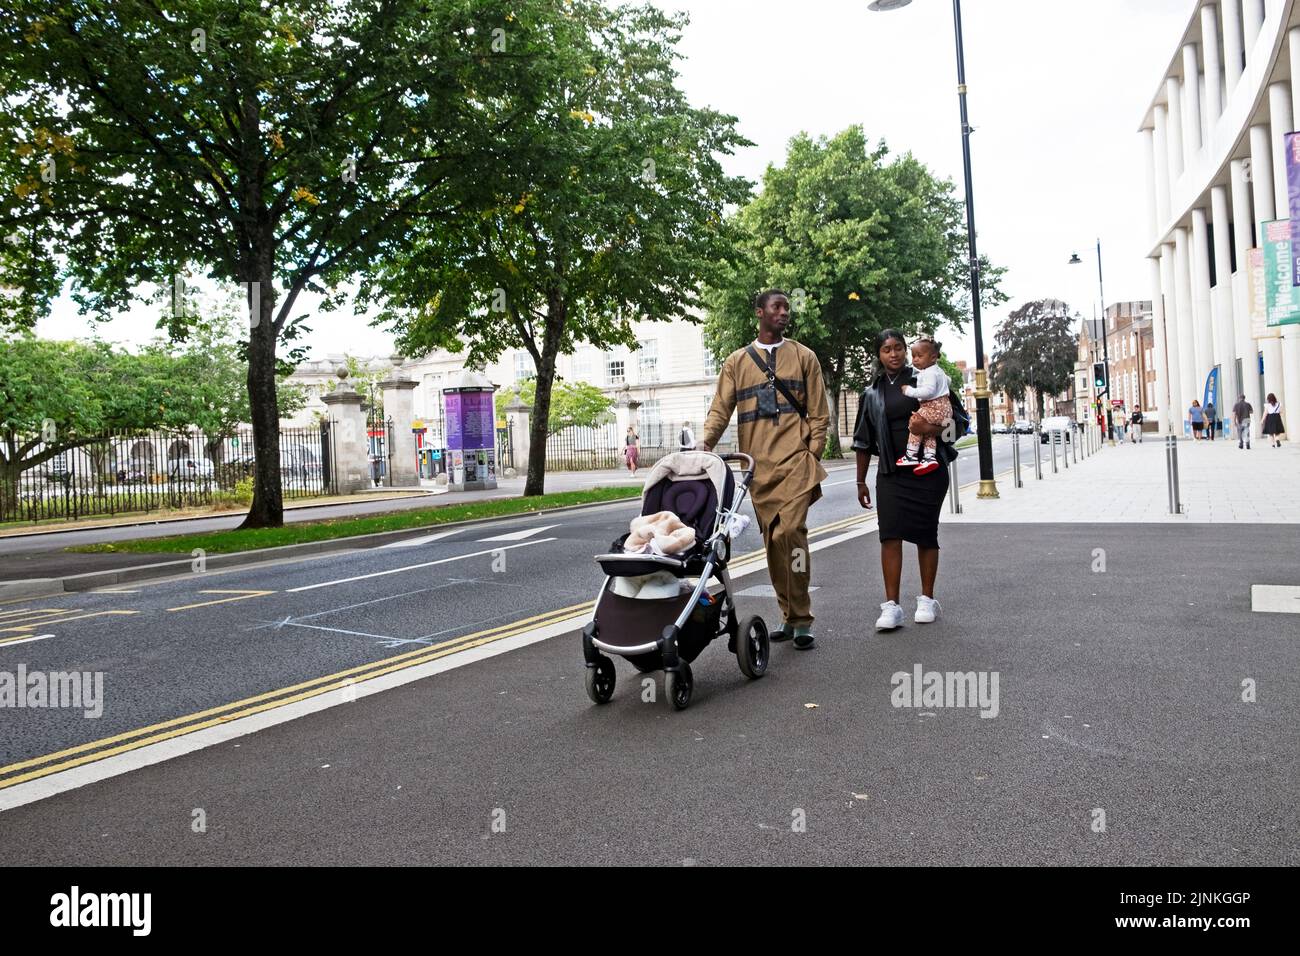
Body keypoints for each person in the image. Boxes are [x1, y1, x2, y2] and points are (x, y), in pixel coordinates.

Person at [697, 289, 829, 651]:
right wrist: (705, 443)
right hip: (759, 469)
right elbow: (720, 410)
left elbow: (819, 413)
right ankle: (787, 615)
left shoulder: (804, 356)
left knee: (792, 534)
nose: (784, 313)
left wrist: (813, 452)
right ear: (760, 312)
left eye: (787, 307)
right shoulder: (736, 362)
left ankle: (802, 618)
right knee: (773, 542)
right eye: (777, 307)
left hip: (796, 464)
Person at [853, 329, 968, 632]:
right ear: (878, 354)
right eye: (886, 349)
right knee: (889, 535)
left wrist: (931, 427)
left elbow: (960, 423)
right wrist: (860, 481)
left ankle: (927, 599)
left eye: (899, 348)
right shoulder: (872, 392)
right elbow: (863, 441)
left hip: (928, 471)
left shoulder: (928, 378)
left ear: (907, 351)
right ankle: (892, 607)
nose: (894, 354)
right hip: (891, 472)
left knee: (924, 533)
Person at [894, 336, 952, 476]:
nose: (915, 360)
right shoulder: (937, 371)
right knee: (928, 432)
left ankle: (911, 454)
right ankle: (929, 457)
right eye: (913, 356)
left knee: (915, 421)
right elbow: (948, 381)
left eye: (919, 356)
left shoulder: (930, 372)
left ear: (933, 358)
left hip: (934, 406)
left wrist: (909, 391)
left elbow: (928, 391)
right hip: (943, 407)